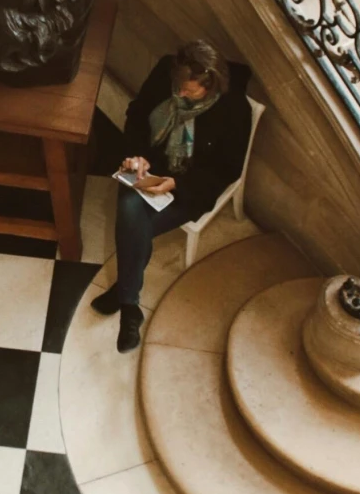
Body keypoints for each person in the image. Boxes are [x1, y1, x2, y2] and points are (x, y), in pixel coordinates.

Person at [92, 40, 252, 352]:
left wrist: (175, 184)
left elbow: (227, 171)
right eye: (177, 86)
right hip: (151, 172)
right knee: (130, 208)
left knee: (131, 218)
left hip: (189, 187)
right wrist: (136, 156)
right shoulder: (166, 72)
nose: (179, 94)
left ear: (210, 85)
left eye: (188, 91)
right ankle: (129, 305)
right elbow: (137, 115)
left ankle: (126, 299)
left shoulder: (235, 110)